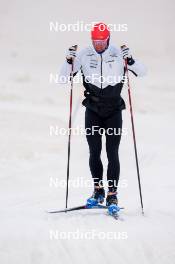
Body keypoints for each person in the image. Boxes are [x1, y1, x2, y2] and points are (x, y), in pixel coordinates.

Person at [60, 22, 146, 215]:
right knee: (94, 151)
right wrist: (68, 61)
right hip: (93, 108)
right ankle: (98, 191)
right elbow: (63, 78)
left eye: (102, 41)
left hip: (114, 108)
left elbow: (143, 72)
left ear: (108, 38)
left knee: (112, 152)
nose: (98, 44)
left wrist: (131, 61)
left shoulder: (118, 53)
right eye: (95, 41)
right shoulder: (83, 54)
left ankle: (112, 194)